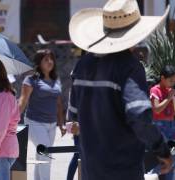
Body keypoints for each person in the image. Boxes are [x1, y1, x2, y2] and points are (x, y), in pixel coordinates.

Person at [67, 1, 172, 180]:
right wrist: (161, 149)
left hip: (91, 170)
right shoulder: (129, 67)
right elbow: (139, 115)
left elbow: (73, 115)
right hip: (123, 170)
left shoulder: (82, 66)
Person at [18, 49, 66, 180]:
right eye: (46, 59)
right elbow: (23, 101)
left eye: (51, 59)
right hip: (34, 122)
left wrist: (61, 124)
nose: (50, 62)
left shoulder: (56, 80)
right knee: (46, 153)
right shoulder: (31, 79)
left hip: (52, 124)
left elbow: (59, 103)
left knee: (42, 155)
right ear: (39, 63)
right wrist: (12, 121)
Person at [150, 65, 175, 180]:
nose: (172, 83)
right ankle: (151, 175)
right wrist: (169, 98)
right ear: (163, 78)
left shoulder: (170, 91)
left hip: (171, 125)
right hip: (160, 126)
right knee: (165, 157)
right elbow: (156, 109)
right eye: (170, 80)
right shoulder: (155, 90)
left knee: (172, 157)